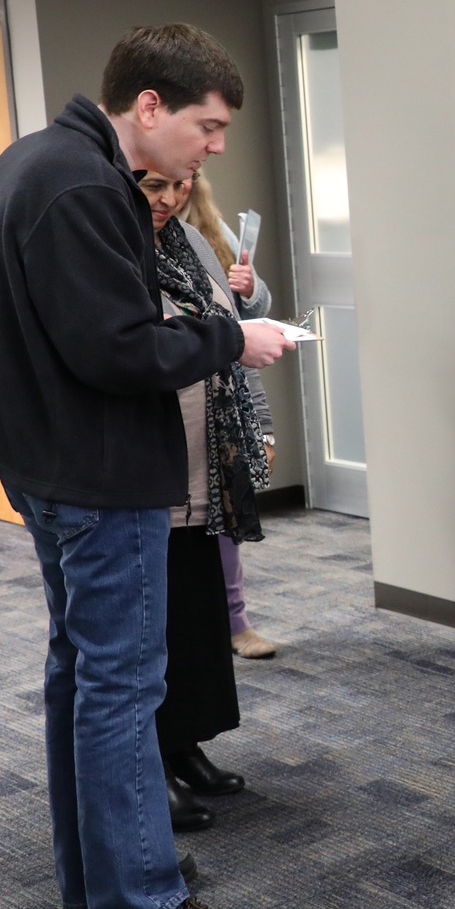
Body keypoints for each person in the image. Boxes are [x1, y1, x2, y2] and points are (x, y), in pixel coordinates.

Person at [0, 23, 291, 909]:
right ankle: (141, 903)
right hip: (97, 471)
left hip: (47, 463)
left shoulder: (37, 160)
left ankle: (103, 878)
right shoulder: (84, 185)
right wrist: (232, 340)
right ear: (150, 106)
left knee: (81, 676)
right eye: (206, 126)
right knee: (121, 684)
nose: (214, 148)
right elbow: (119, 350)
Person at [144, 170, 271, 832]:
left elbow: (224, 316)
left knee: (195, 619)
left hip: (202, 463)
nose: (168, 199)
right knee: (153, 626)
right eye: (154, 185)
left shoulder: (190, 237)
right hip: (149, 470)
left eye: (180, 186)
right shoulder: (117, 242)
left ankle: (186, 744)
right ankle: (153, 761)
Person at [179, 173, 282, 660]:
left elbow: (250, 317)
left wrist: (251, 286)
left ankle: (236, 622)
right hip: (175, 399)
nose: (173, 193)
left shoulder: (209, 232)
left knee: (223, 519)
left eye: (184, 181)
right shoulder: (128, 235)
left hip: (223, 391)